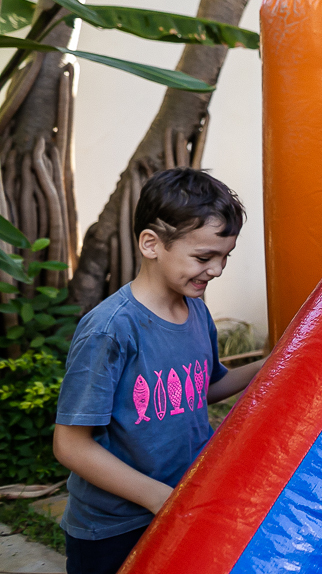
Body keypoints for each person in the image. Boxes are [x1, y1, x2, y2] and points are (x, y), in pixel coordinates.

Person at [54, 169, 266, 574]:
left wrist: (271, 364)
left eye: (225, 257)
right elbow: (71, 445)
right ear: (151, 244)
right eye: (204, 257)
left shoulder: (195, 309)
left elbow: (206, 388)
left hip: (178, 503)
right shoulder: (110, 330)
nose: (217, 270)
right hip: (114, 527)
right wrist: (159, 498)